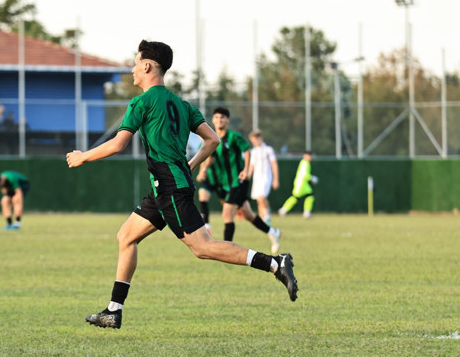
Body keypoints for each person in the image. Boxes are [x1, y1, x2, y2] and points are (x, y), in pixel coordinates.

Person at [66, 40, 298, 329]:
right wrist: (190, 165)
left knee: (203, 247)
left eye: (136, 63)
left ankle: (276, 263)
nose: (133, 68)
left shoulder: (142, 102)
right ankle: (113, 310)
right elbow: (213, 140)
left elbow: (118, 143)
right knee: (126, 236)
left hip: (170, 188)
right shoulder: (181, 104)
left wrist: (82, 157)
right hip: (168, 186)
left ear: (148, 66)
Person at [196, 107, 282, 254]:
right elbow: (211, 156)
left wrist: (245, 170)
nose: (219, 120)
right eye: (216, 117)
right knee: (248, 214)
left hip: (239, 181)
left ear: (227, 120)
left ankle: (226, 250)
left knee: (227, 213)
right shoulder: (214, 139)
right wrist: (203, 169)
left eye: (222, 117)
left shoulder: (234, 137)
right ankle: (272, 231)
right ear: (213, 120)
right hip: (225, 183)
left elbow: (247, 151)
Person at [248, 130, 280, 226]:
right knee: (258, 200)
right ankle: (263, 221)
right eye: (252, 140)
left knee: (262, 197)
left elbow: (274, 164)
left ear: (260, 138)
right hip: (256, 178)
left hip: (266, 177)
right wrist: (247, 177)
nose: (254, 141)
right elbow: (251, 166)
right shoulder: (253, 152)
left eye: (256, 139)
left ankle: (267, 217)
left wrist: (276, 179)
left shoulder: (268, 150)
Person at [279, 151, 318, 218]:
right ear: (305, 156)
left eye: (310, 156)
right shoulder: (305, 163)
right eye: (308, 156)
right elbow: (304, 174)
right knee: (295, 197)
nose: (310, 157)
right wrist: (311, 178)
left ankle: (307, 212)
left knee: (310, 195)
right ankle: (283, 210)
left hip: (304, 184)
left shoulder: (306, 163)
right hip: (300, 184)